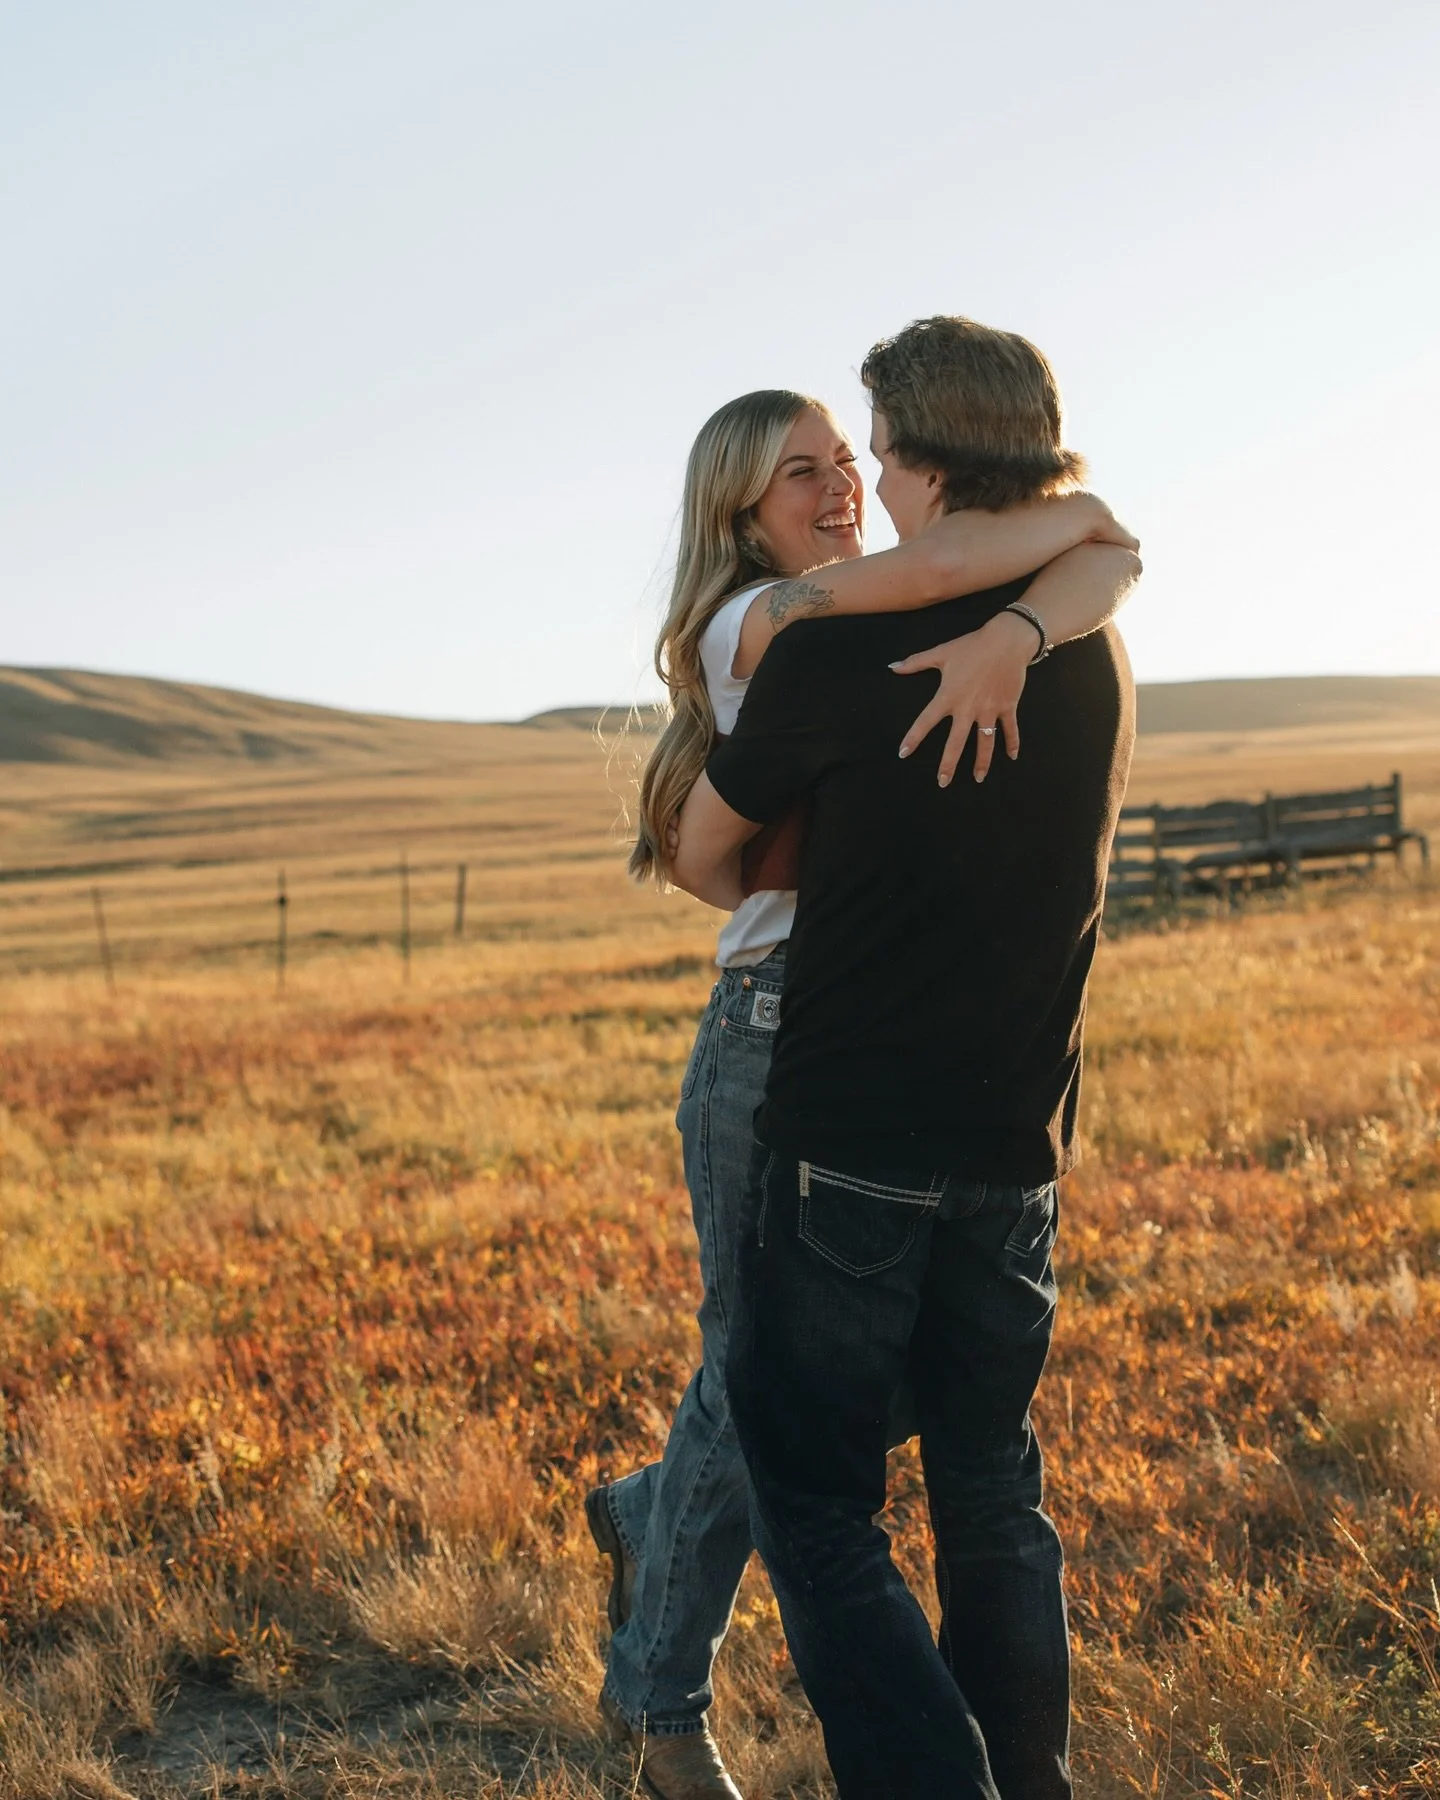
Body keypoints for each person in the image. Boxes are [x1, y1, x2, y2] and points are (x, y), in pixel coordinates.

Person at [593, 376, 1139, 1799]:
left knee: (806, 1386)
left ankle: (654, 1513)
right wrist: (1053, 570)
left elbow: (1068, 544)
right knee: (758, 1381)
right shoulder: (766, 627)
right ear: (740, 516)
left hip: (873, 1037)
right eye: (800, 477)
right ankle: (658, 1699)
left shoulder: (878, 605)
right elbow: (714, 857)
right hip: (782, 1017)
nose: (839, 486)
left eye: (850, 457)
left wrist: (1050, 586)